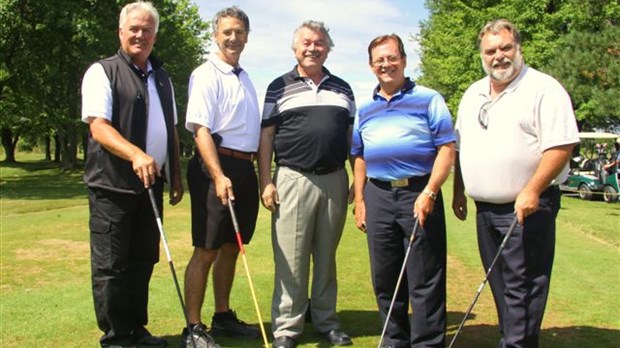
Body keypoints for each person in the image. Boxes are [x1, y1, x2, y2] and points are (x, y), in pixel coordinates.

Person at [452, 19, 579, 348]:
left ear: (519, 48)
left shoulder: (543, 88)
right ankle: (515, 340)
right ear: (482, 55)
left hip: (526, 208)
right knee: (501, 286)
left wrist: (532, 189)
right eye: (490, 50)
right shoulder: (472, 93)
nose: (499, 56)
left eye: (505, 48)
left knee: (523, 288)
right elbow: (462, 147)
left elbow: (561, 146)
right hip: (485, 210)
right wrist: (458, 192)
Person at [81, 2, 183, 347]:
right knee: (112, 265)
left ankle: (135, 330)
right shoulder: (103, 71)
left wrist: (176, 174)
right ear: (121, 32)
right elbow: (99, 127)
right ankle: (116, 336)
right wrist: (136, 153)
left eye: (147, 30)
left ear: (155, 35)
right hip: (113, 186)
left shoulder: (163, 77)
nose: (140, 35)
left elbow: (170, 129)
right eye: (134, 29)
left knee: (143, 260)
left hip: (150, 186)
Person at [351, 34, 455, 348]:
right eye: (379, 60)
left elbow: (447, 148)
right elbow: (358, 154)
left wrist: (431, 192)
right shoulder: (365, 108)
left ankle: (427, 343)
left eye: (392, 57)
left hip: (418, 192)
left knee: (425, 275)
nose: (386, 64)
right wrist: (359, 199)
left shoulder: (428, 98)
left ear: (404, 60)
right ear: (371, 66)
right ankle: (394, 339)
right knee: (385, 277)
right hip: (378, 195)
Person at [257, 20, 355, 348]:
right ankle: (286, 328)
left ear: (328, 49)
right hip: (292, 178)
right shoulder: (278, 87)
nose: (313, 48)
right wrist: (266, 181)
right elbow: (266, 137)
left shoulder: (343, 89)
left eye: (319, 43)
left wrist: (357, 178)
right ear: (295, 48)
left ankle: (326, 322)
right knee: (291, 259)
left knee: (326, 258)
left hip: (334, 179)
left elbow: (351, 139)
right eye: (306, 43)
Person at [181, 6, 261, 348]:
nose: (233, 37)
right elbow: (200, 129)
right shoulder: (206, 73)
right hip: (216, 166)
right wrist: (217, 175)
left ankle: (223, 315)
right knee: (207, 249)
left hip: (244, 169)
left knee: (232, 246)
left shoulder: (244, 76)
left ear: (246, 36)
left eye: (240, 31)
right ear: (216, 35)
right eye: (227, 31)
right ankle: (193, 328)